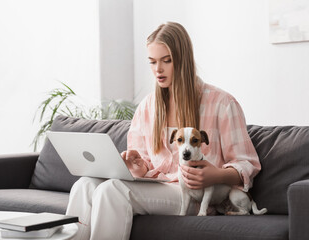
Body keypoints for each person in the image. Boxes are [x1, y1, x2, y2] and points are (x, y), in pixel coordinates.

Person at [65, 22, 261, 240]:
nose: (158, 69)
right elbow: (144, 166)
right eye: (152, 62)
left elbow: (247, 163)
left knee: (112, 191)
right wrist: (137, 167)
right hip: (157, 185)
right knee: (84, 184)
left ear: (183, 60)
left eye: (166, 61)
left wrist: (216, 175)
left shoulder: (222, 103)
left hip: (191, 194)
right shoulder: (148, 107)